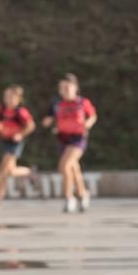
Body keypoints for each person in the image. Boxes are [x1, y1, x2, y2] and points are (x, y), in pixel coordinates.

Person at [42, 73, 97, 213]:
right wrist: (49, 122)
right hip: (62, 138)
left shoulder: (82, 102)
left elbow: (92, 116)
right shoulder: (56, 103)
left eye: (67, 87)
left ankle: (69, 198)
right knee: (73, 169)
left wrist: (87, 124)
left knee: (65, 166)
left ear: (75, 88)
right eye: (61, 88)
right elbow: (49, 118)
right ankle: (83, 194)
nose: (64, 90)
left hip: (78, 138)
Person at [0, 85, 36, 209]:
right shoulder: (1, 110)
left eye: (11, 97)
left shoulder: (20, 112)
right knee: (10, 171)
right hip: (5, 141)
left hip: (15, 143)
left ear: (18, 99)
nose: (8, 99)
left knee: (3, 169)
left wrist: (20, 134)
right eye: (6, 96)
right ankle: (29, 172)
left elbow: (31, 125)